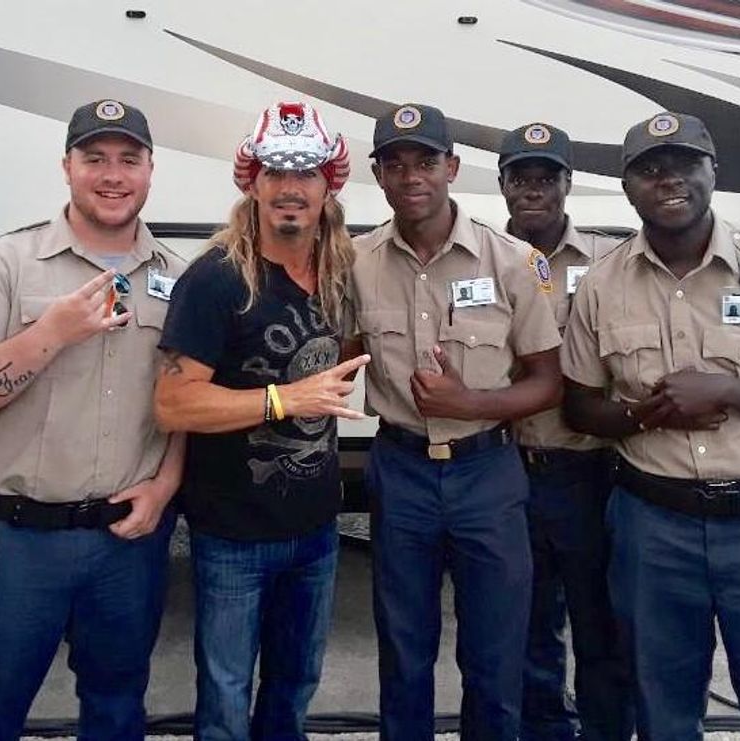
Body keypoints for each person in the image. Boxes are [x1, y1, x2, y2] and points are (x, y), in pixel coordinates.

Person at [562, 111, 740, 741]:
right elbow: (580, 408)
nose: (669, 180)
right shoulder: (602, 284)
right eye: (649, 169)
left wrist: (727, 389)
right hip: (653, 531)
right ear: (626, 185)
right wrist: (645, 414)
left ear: (712, 171)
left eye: (685, 164)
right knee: (662, 713)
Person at [0, 99, 186, 741]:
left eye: (129, 159)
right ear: (66, 167)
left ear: (151, 171)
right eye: (94, 158)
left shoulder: (178, 280)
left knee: (117, 709)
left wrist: (165, 486)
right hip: (18, 541)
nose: (112, 174)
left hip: (125, 543)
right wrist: (49, 334)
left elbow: (182, 404)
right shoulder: (5, 264)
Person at [346, 103, 562, 740]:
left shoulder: (513, 262)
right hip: (402, 471)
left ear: (452, 168)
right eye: (395, 163)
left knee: (496, 656)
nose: (412, 176)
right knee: (404, 649)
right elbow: (333, 351)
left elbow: (548, 382)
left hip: (487, 473)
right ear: (378, 175)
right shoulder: (354, 263)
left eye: (426, 161)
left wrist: (471, 404)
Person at [154, 101, 368, 740]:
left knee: (295, 686)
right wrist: (282, 400)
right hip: (233, 535)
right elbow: (173, 403)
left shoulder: (337, 274)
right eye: (275, 171)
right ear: (252, 182)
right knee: (224, 695)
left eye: (306, 173)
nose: (290, 188)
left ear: (329, 184)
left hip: (317, 528)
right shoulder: (217, 280)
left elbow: (341, 358)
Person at [498, 122, 633, 741]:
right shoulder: (481, 260)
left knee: (600, 623)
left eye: (545, 178)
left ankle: (606, 730)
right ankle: (544, 729)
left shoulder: (612, 261)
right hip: (506, 471)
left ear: (567, 184)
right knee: (525, 626)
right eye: (519, 178)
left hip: (588, 472)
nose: (533, 190)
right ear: (501, 185)